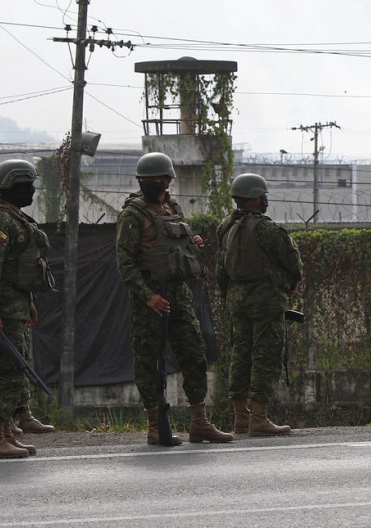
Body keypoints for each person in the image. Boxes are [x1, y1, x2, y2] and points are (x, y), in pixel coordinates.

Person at [114, 152, 233, 445]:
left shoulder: (174, 207)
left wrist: (192, 243)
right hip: (151, 299)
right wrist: (147, 296)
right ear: (141, 181)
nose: (156, 183)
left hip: (179, 294)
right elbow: (125, 264)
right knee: (149, 362)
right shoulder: (132, 214)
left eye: (160, 179)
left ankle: (200, 423)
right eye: (149, 180)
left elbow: (177, 243)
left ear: (168, 180)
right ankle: (156, 425)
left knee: (194, 353)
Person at [0, 160, 51, 459]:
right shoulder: (0, 221)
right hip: (2, 308)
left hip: (14, 304)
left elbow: (16, 268)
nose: (32, 189)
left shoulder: (12, 217)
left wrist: (28, 301)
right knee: (6, 371)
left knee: (14, 368)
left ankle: (3, 432)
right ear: (14, 186)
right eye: (28, 184)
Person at [216, 173, 302, 436]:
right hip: (265, 301)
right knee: (266, 356)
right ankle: (260, 419)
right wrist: (291, 284)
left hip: (236, 301)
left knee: (240, 356)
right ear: (255, 198)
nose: (265, 200)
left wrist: (229, 296)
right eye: (263, 196)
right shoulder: (267, 229)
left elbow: (221, 268)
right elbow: (293, 262)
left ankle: (241, 417)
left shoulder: (226, 226)